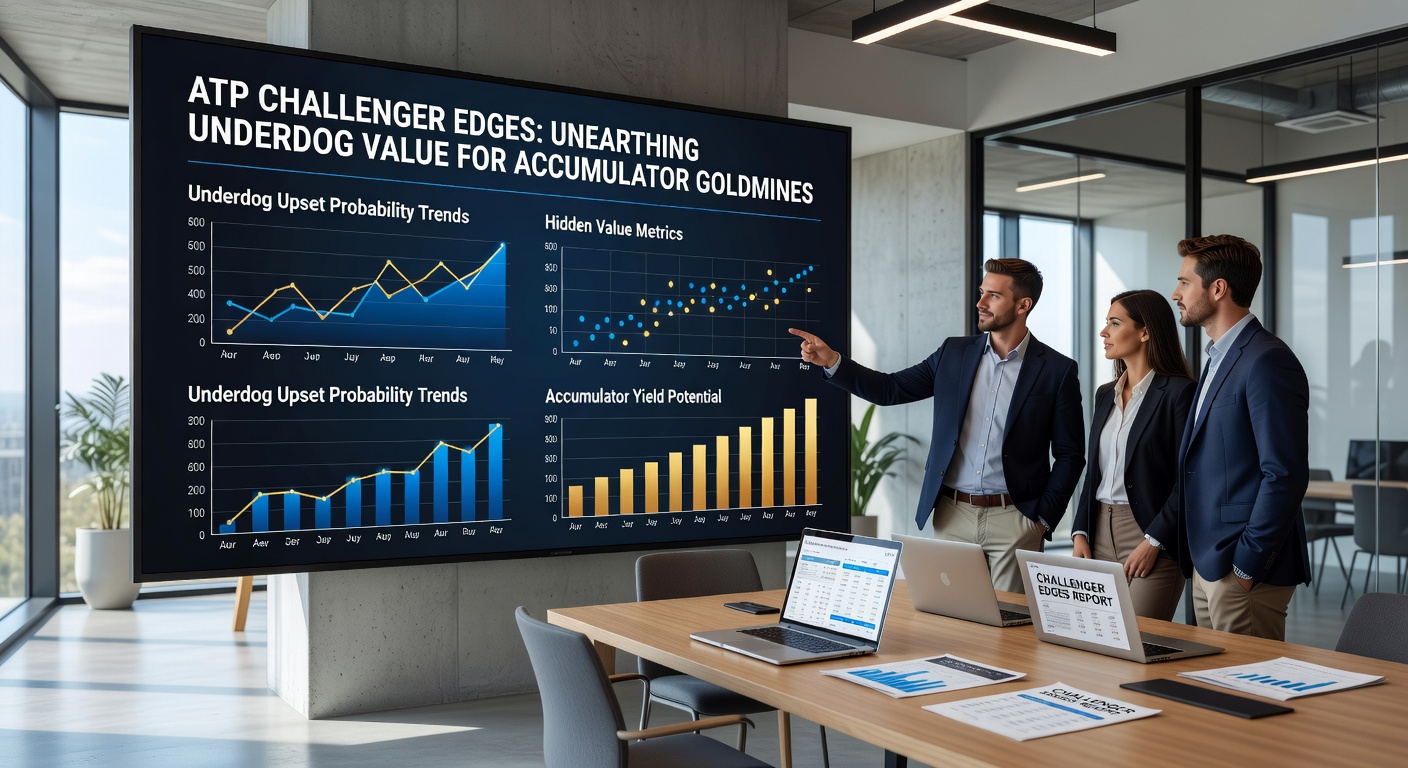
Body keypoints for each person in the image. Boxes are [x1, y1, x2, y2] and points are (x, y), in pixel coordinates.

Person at [789, 258, 1085, 593]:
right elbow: (890, 389)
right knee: (952, 621)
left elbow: (1070, 454)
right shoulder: (953, 354)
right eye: (981, 292)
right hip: (953, 516)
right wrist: (832, 361)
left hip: (1015, 520)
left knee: (1008, 629)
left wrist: (1041, 520)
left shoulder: (1057, 370)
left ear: (1022, 305)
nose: (981, 302)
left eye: (993, 296)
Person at [1144, 235, 1310, 640]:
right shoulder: (1218, 358)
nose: (1175, 293)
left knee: (1249, 697)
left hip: (1242, 571)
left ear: (1218, 289)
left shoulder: (1267, 359)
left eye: (1185, 282)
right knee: (1216, 694)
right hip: (1207, 564)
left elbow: (1283, 474)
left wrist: (1247, 565)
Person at [1072, 289, 1193, 621]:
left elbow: (1189, 479)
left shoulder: (1180, 393)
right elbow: (1094, 472)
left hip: (1150, 534)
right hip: (1096, 534)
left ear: (1145, 331)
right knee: (1096, 638)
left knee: (1140, 641)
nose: (1104, 332)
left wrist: (1154, 541)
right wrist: (1080, 530)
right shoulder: (1104, 395)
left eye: (1114, 323)